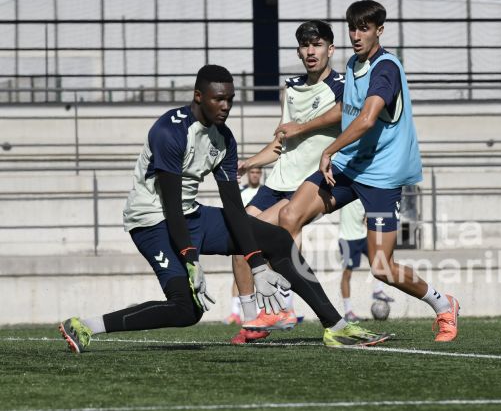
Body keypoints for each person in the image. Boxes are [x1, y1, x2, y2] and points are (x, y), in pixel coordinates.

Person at [58, 65, 391, 353]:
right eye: (218, 99)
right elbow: (170, 205)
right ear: (198, 97)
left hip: (191, 215)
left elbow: (233, 207)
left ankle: (334, 326)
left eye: (230, 99)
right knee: (186, 310)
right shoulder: (169, 131)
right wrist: (191, 259)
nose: (226, 106)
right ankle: (85, 325)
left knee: (276, 239)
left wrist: (258, 265)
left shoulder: (225, 139)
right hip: (152, 222)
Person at [278, 0, 460, 342]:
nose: (356, 35)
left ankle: (443, 304)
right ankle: (294, 305)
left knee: (381, 267)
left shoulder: (386, 68)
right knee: (289, 217)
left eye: (364, 28)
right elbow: (346, 111)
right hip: (350, 166)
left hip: (381, 177)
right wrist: (307, 130)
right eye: (353, 28)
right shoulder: (353, 63)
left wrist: (329, 149)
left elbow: (366, 119)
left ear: (379, 30)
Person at [231, 20, 344, 343]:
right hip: (276, 182)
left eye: (317, 45)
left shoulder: (341, 86)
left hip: (305, 184)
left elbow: (345, 114)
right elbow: (280, 142)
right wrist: (249, 163)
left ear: (330, 49)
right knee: (238, 242)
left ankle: (283, 306)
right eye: (305, 46)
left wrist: (302, 127)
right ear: (298, 51)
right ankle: (252, 321)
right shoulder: (291, 88)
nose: (311, 51)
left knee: (282, 229)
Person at [337, 199, 394, 323]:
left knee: (380, 257)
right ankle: (348, 312)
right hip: (347, 239)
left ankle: (378, 290)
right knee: (347, 274)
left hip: (363, 236)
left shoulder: (366, 196)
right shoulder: (347, 192)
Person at [225, 166, 266, 325]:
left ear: (261, 174)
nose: (255, 175)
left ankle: (261, 311)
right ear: (248, 174)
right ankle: (235, 313)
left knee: (260, 273)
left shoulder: (264, 193)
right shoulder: (241, 192)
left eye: (257, 172)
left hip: (260, 235)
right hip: (242, 235)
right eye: (252, 172)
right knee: (239, 273)